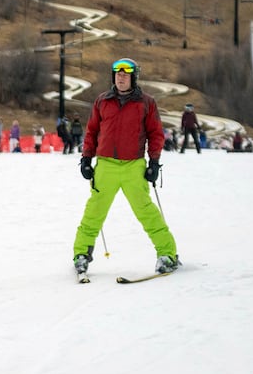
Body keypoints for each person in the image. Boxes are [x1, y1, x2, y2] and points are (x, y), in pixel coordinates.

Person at [74, 58, 178, 280]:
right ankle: (81, 253)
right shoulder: (102, 101)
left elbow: (155, 134)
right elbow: (92, 132)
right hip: (106, 166)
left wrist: (154, 162)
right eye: (117, 74)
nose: (121, 77)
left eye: (125, 74)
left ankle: (167, 253)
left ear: (133, 77)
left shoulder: (146, 103)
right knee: (94, 212)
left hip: (133, 166)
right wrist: (86, 159)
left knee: (146, 212)